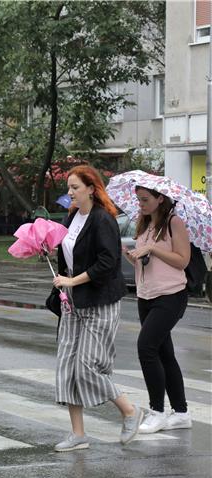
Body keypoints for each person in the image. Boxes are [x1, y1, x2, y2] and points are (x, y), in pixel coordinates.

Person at [51, 165, 143, 452]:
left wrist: (71, 281)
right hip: (73, 303)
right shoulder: (72, 218)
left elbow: (106, 263)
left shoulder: (103, 220)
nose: (70, 193)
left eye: (75, 187)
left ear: (91, 189)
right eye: (69, 187)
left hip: (100, 302)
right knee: (67, 367)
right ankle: (78, 434)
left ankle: (129, 410)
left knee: (87, 367)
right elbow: (68, 255)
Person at [123, 186, 192, 434]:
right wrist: (133, 257)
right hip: (146, 294)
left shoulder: (174, 222)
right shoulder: (144, 224)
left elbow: (182, 260)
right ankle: (182, 413)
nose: (140, 204)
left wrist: (152, 249)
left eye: (145, 199)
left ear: (159, 198)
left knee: (146, 347)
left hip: (171, 295)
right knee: (165, 353)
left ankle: (157, 411)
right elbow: (147, 263)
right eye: (138, 199)